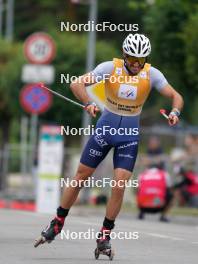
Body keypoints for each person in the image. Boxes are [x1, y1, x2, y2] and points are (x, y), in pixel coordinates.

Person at [34, 34, 184, 256]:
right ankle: (58, 221)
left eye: (140, 60)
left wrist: (175, 112)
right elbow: (77, 84)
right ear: (124, 55)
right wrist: (88, 103)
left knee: (120, 184)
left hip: (129, 134)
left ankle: (104, 235)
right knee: (81, 177)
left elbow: (176, 96)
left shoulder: (151, 73)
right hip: (105, 129)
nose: (135, 65)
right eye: (132, 59)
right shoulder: (109, 68)